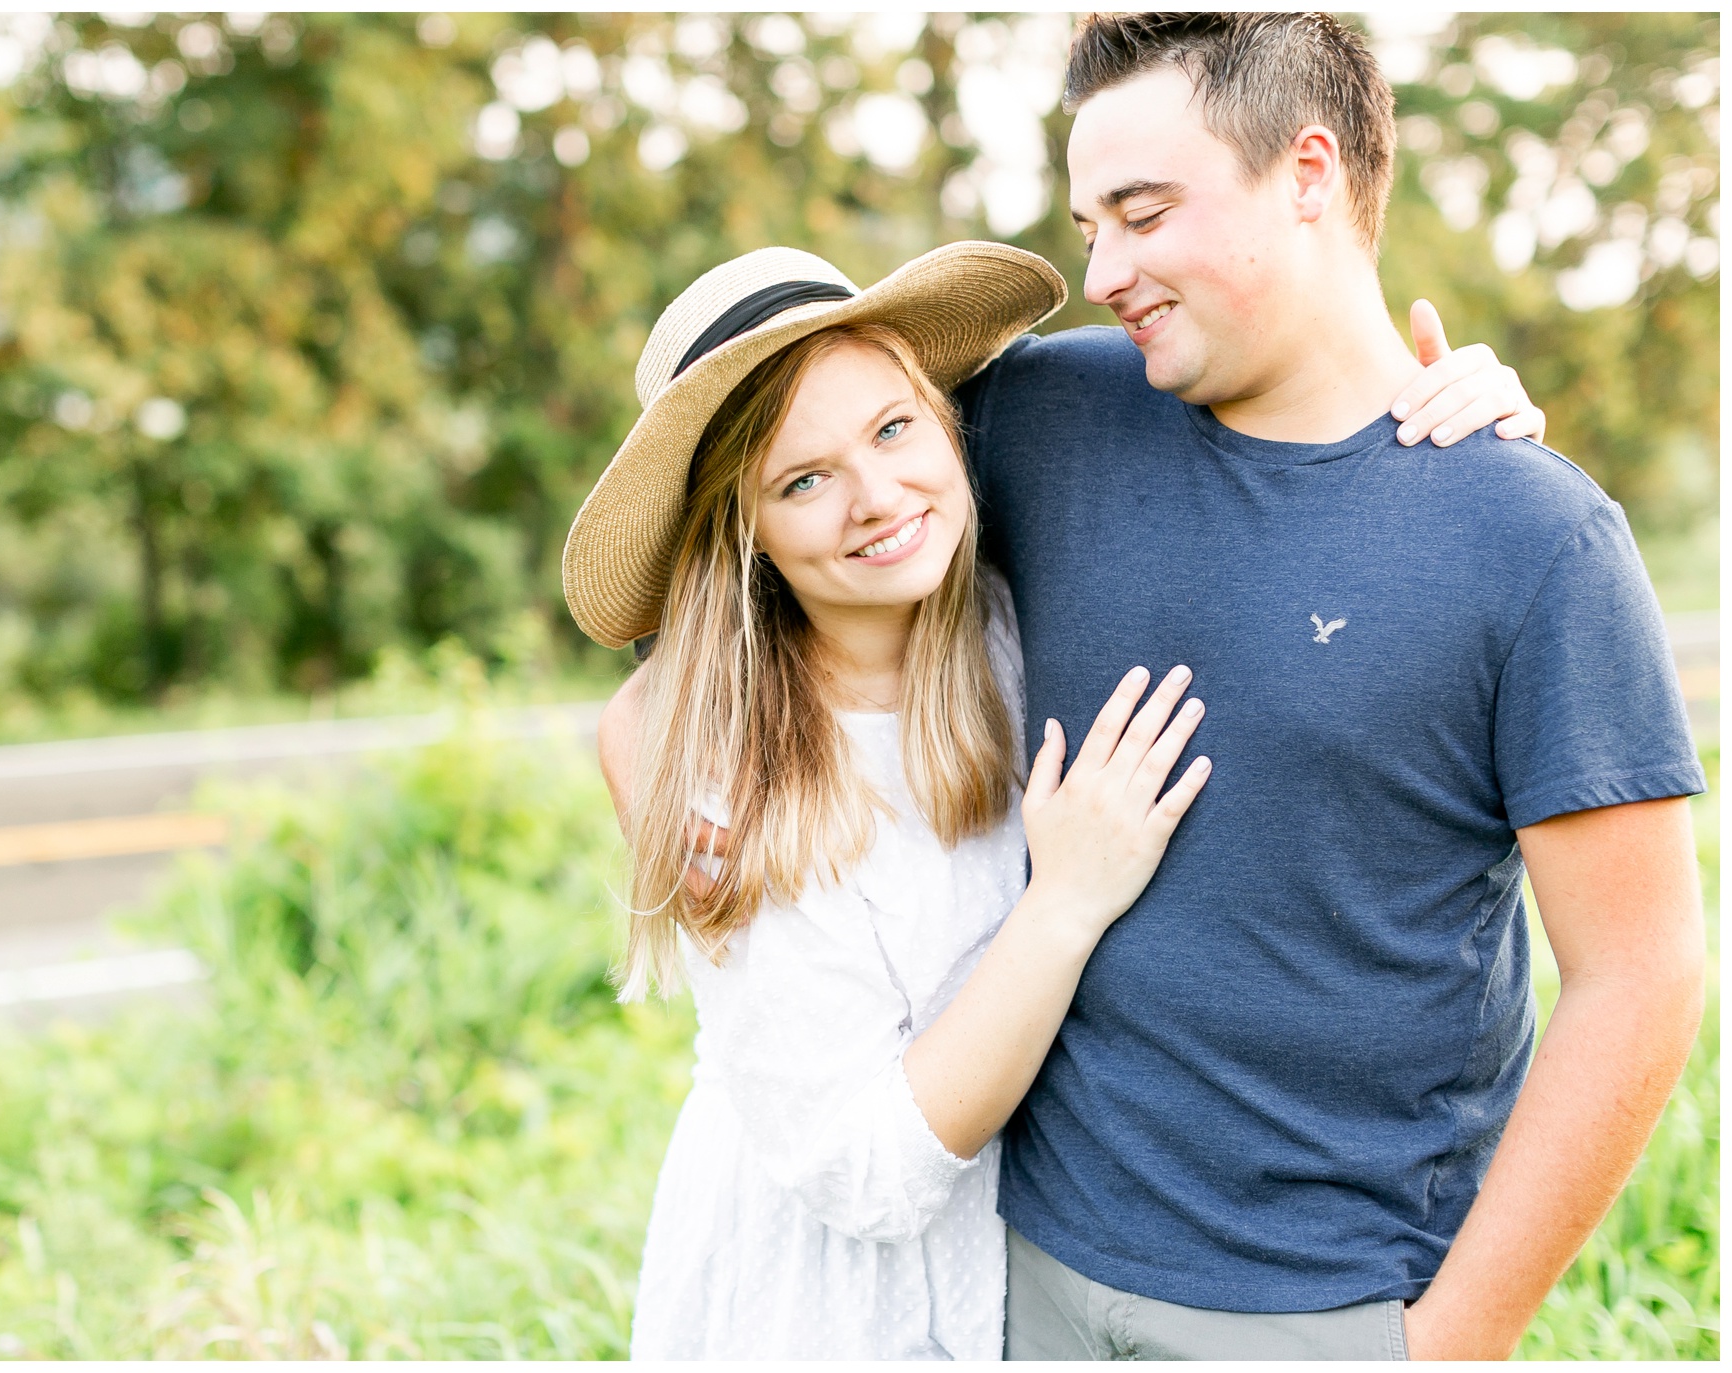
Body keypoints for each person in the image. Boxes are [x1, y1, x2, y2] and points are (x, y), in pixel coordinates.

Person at [571, 238, 1546, 1358]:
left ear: (948, 424)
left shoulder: (1004, 612)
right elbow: (870, 1174)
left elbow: (1254, 475)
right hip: (817, 1307)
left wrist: (1426, 433)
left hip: (1024, 1271)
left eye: (893, 427)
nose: (876, 496)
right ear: (746, 536)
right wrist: (1065, 900)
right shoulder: (738, 782)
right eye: (802, 479)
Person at [959, 14, 1700, 1361]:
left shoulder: (1535, 536)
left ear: (1307, 174)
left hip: (1331, 1313)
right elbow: (785, 510)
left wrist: (1453, 1338)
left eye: (1141, 213)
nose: (1104, 270)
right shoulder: (1035, 418)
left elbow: (1639, 978)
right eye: (1088, 226)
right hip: (1018, 1270)